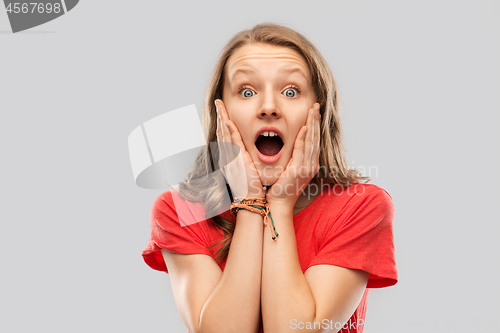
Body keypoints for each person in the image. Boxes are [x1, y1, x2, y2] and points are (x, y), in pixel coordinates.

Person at [142, 23, 397, 333]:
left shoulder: (361, 207)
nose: (268, 107)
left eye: (290, 91)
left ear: (318, 112)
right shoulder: (181, 210)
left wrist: (279, 202)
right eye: (247, 91)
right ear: (221, 114)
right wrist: (251, 203)